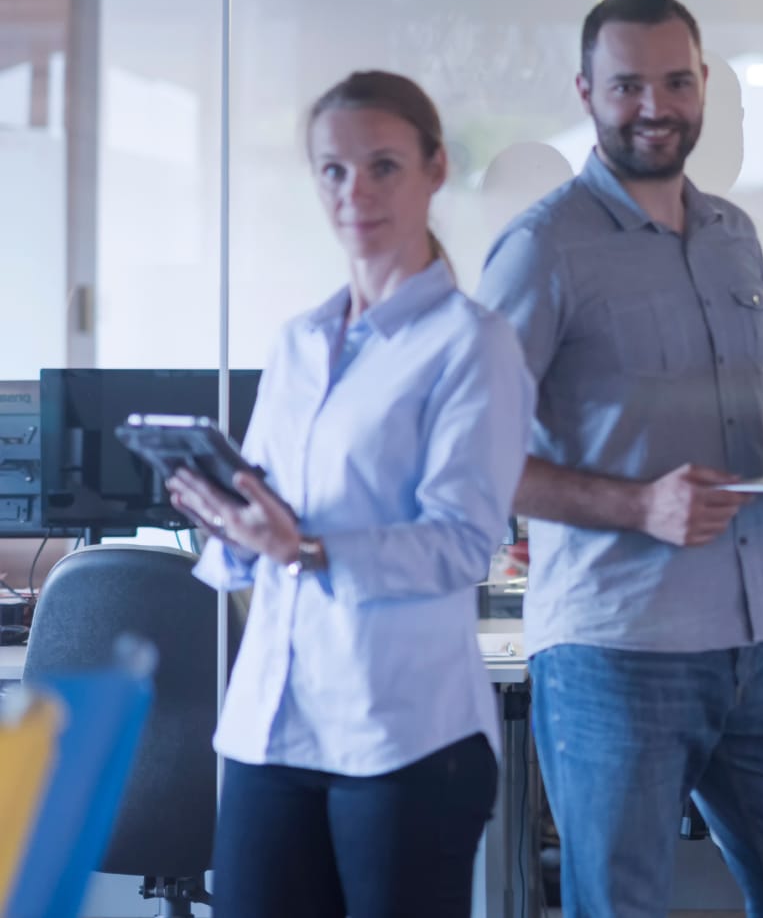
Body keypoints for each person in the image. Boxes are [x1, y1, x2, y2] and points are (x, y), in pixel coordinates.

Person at [475, 0, 763, 918]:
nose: (656, 106)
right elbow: (471, 453)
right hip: (617, 649)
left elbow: (739, 394)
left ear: (702, 87)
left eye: (677, 82)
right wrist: (636, 504)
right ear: (586, 91)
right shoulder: (542, 249)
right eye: (629, 86)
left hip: (759, 638)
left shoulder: (733, 236)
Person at [168, 71, 532, 918]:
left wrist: (306, 548)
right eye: (333, 170)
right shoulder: (297, 342)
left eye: (383, 166)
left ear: (435, 169)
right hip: (271, 723)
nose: (354, 191)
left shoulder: (471, 345)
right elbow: (256, 544)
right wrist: (225, 521)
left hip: (403, 734)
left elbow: (461, 539)